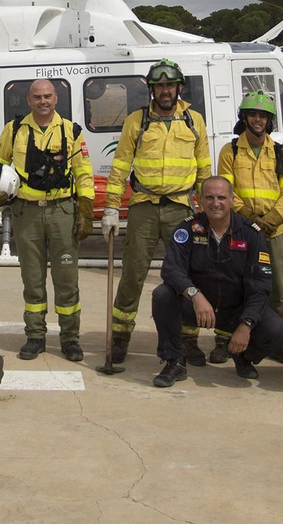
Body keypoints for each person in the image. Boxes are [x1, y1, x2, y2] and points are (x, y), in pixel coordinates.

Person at [102, 59, 212, 367]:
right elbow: (121, 164)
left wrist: (207, 211)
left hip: (181, 208)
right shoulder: (137, 121)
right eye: (159, 86)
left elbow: (204, 168)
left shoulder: (194, 121)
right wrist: (111, 206)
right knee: (133, 274)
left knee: (188, 274)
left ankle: (188, 339)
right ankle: (121, 337)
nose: (165, 91)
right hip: (144, 207)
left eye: (170, 85)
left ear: (179, 87)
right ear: (152, 90)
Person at [149, 177, 283, 387]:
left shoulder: (251, 234)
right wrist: (194, 295)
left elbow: (261, 285)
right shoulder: (187, 229)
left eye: (222, 197)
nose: (216, 203)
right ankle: (174, 361)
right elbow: (171, 269)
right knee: (162, 295)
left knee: (276, 330)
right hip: (198, 308)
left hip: (235, 311)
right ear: (199, 200)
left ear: (232, 200)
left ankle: (243, 355)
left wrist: (246, 324)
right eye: (210, 198)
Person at [0, 78, 94, 362]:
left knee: (66, 278)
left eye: (48, 96)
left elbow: (84, 173)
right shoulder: (14, 130)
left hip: (62, 211)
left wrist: (85, 210)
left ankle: (70, 338)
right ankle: (35, 337)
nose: (43, 102)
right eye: (37, 97)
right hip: (27, 212)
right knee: (32, 278)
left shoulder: (71, 131)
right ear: (29, 100)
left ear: (56, 99)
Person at [216, 91, 283, 367]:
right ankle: (224, 339)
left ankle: (279, 342)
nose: (258, 120)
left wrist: (274, 217)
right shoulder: (230, 151)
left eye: (263, 116)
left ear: (269, 120)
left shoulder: (280, 152)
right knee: (234, 285)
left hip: (273, 231)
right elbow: (226, 190)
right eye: (253, 114)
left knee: (276, 287)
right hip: (241, 229)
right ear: (244, 117)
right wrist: (249, 216)